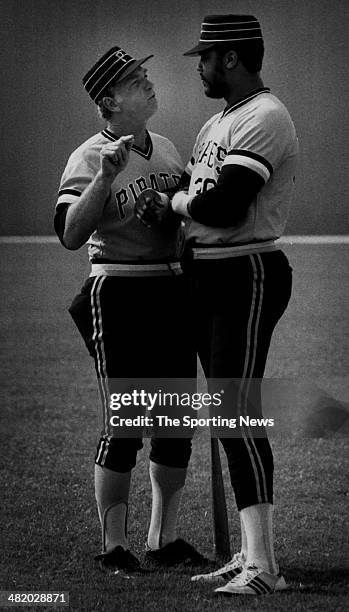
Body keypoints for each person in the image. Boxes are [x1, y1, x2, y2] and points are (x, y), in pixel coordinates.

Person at [135, 14, 299, 596]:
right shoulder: (218, 122)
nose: (200, 67)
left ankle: (266, 568)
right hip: (210, 272)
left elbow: (226, 206)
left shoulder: (264, 115)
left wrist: (176, 201)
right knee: (228, 415)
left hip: (247, 270)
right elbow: (201, 192)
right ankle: (250, 556)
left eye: (204, 57)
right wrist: (172, 201)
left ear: (230, 58)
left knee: (236, 411)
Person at [54, 45, 205, 575]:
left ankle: (164, 538)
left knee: (174, 421)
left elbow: (185, 219)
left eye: (144, 76)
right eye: (134, 80)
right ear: (109, 101)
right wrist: (102, 177)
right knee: (125, 421)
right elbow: (72, 234)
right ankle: (113, 545)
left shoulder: (165, 148)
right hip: (117, 291)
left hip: (170, 290)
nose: (148, 84)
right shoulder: (86, 155)